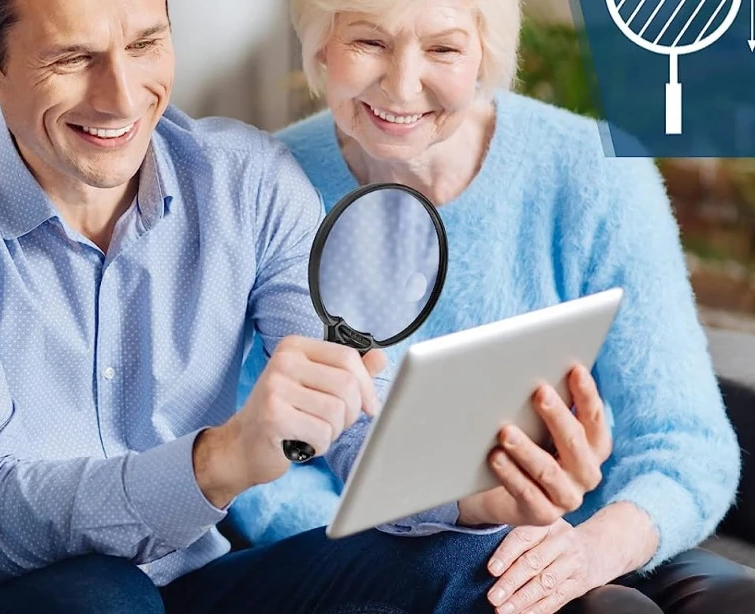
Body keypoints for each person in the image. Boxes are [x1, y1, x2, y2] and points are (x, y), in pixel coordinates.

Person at [0, 0, 615, 612]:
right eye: (73, 57)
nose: (121, 97)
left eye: (146, 44)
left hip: (197, 588)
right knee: (102, 594)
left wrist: (468, 492)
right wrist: (222, 460)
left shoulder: (245, 179)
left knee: (472, 568)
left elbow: (349, 414)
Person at [233, 0, 754, 613]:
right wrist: (436, 550)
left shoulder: (593, 170)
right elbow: (254, 470)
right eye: (368, 43)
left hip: (585, 535)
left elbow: (687, 442)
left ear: (486, 52)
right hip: (358, 556)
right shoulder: (262, 185)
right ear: (321, 45)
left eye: (444, 48)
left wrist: (591, 551)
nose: (402, 86)